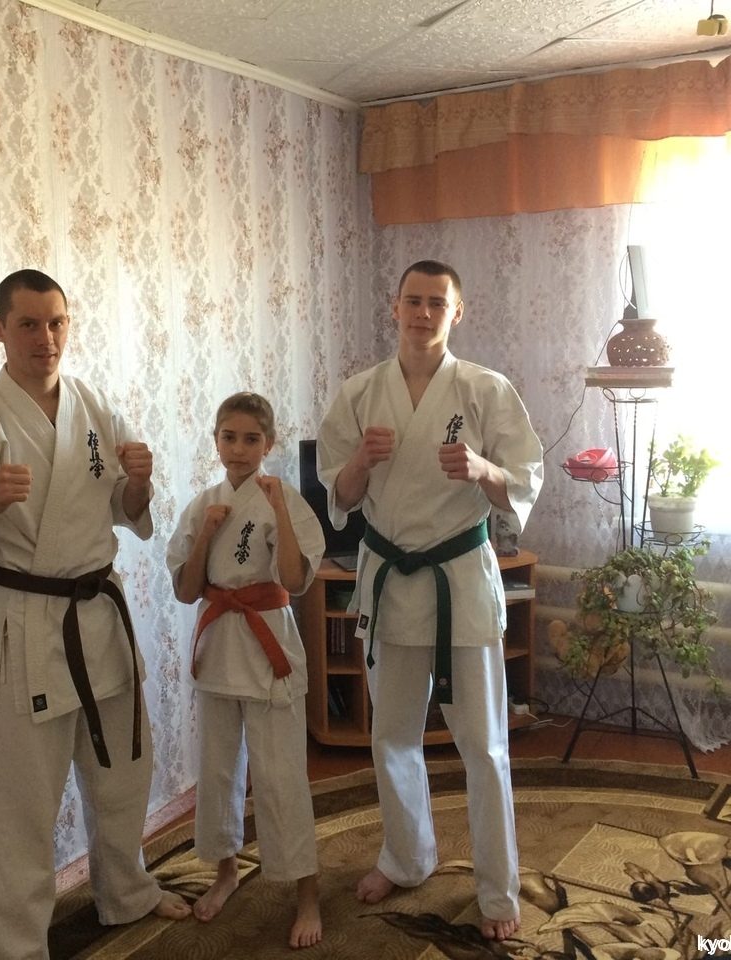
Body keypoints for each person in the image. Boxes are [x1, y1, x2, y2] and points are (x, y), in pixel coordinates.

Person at [0, 269, 190, 959]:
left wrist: (139, 482)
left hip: (99, 614)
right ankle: (9, 948)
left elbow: (125, 510)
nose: (46, 338)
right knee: (18, 806)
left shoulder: (92, 405)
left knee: (124, 770)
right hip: (26, 626)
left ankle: (126, 891)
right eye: (30, 324)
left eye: (57, 322)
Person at [316, 260, 543, 941]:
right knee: (391, 735)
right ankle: (406, 857)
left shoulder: (485, 389)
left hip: (458, 580)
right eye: (412, 301)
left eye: (436, 303)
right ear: (394, 308)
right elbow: (339, 498)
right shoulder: (360, 393)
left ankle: (498, 889)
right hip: (390, 578)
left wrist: (481, 468)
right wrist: (360, 462)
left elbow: (523, 481)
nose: (422, 313)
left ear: (456, 312)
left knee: (484, 744)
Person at [166, 392, 326, 949]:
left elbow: (295, 580)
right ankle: (226, 870)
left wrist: (278, 510)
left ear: (269, 444)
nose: (238, 449)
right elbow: (186, 591)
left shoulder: (284, 498)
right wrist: (208, 533)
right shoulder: (203, 504)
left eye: (251, 439)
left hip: (268, 642)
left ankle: (307, 893)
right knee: (217, 771)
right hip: (218, 646)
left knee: (282, 776)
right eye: (228, 437)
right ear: (215, 442)